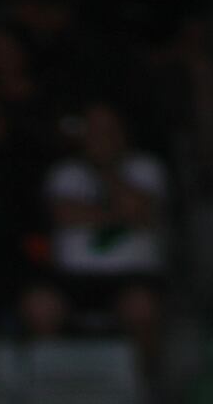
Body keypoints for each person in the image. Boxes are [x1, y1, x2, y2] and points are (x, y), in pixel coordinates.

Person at [26, 99, 167, 372]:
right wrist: (120, 214)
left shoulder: (146, 168)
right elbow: (63, 215)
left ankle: (143, 389)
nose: (98, 136)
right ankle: (49, 386)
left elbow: (140, 211)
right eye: (92, 128)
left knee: (141, 307)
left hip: (133, 275)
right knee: (39, 305)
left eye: (106, 129)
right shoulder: (64, 172)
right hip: (73, 278)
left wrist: (107, 169)